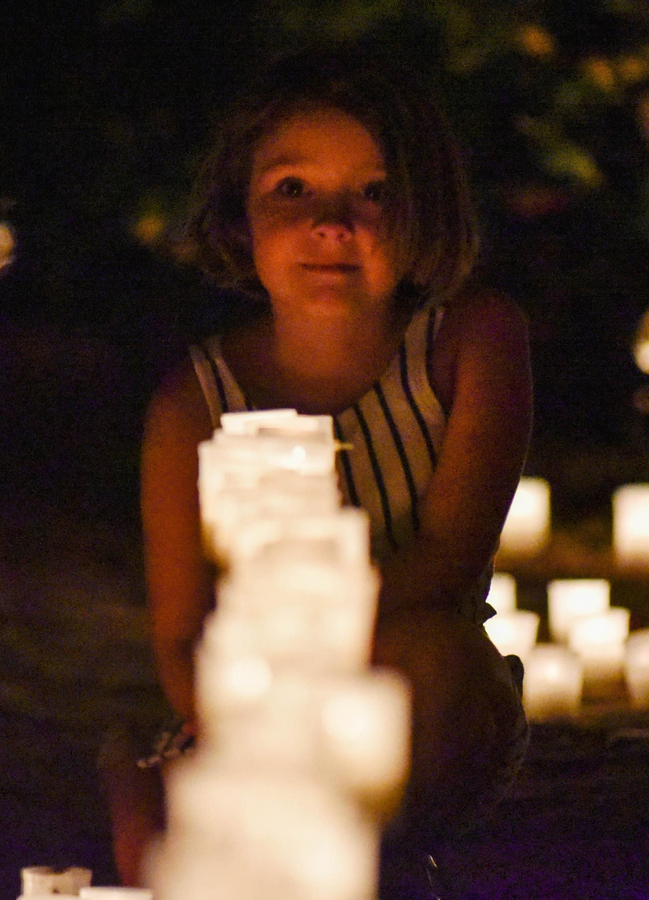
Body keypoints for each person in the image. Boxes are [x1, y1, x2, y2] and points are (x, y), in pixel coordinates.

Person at [101, 47, 532, 899]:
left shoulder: (470, 344)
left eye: (373, 192)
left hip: (423, 683)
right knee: (161, 867)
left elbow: (448, 557)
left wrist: (309, 645)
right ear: (239, 215)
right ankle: (135, 774)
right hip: (255, 707)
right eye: (292, 189)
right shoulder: (194, 404)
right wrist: (237, 709)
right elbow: (182, 629)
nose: (332, 222)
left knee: (424, 673)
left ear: (424, 212)